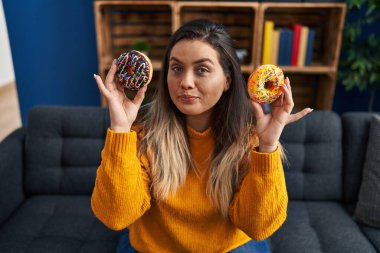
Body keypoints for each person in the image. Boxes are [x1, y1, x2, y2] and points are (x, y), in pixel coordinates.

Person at [91, 19, 312, 253]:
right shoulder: (143, 138)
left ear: (227, 80)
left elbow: (258, 227)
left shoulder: (250, 143)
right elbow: (115, 217)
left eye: (202, 69)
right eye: (176, 68)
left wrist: (267, 147)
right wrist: (120, 128)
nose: (185, 82)